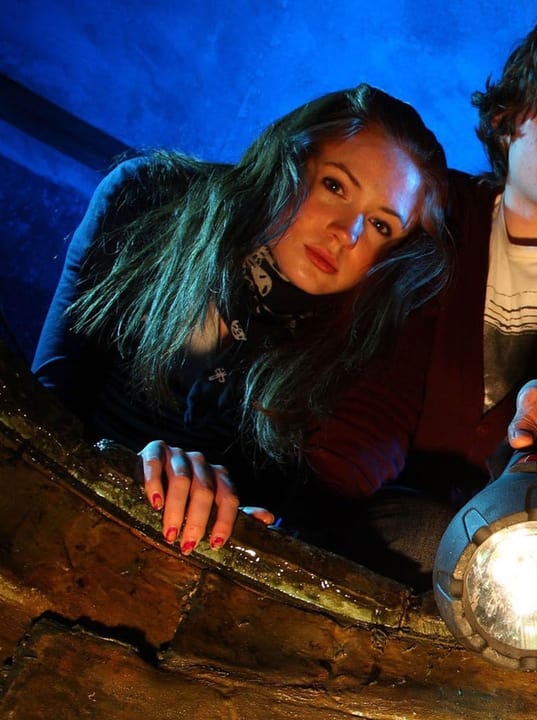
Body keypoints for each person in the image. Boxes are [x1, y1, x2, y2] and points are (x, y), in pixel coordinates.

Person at [302, 15, 537, 585]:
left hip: (526, 557)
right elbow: (383, 384)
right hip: (378, 507)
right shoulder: (439, 211)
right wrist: (309, 512)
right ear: (505, 120)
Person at [32, 84, 450, 554]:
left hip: (199, 551)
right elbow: (50, 394)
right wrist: (120, 467)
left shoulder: (358, 340)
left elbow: (290, 512)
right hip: (61, 487)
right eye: (335, 186)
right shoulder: (149, 194)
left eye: (379, 225)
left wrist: (252, 523)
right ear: (290, 160)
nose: (346, 233)